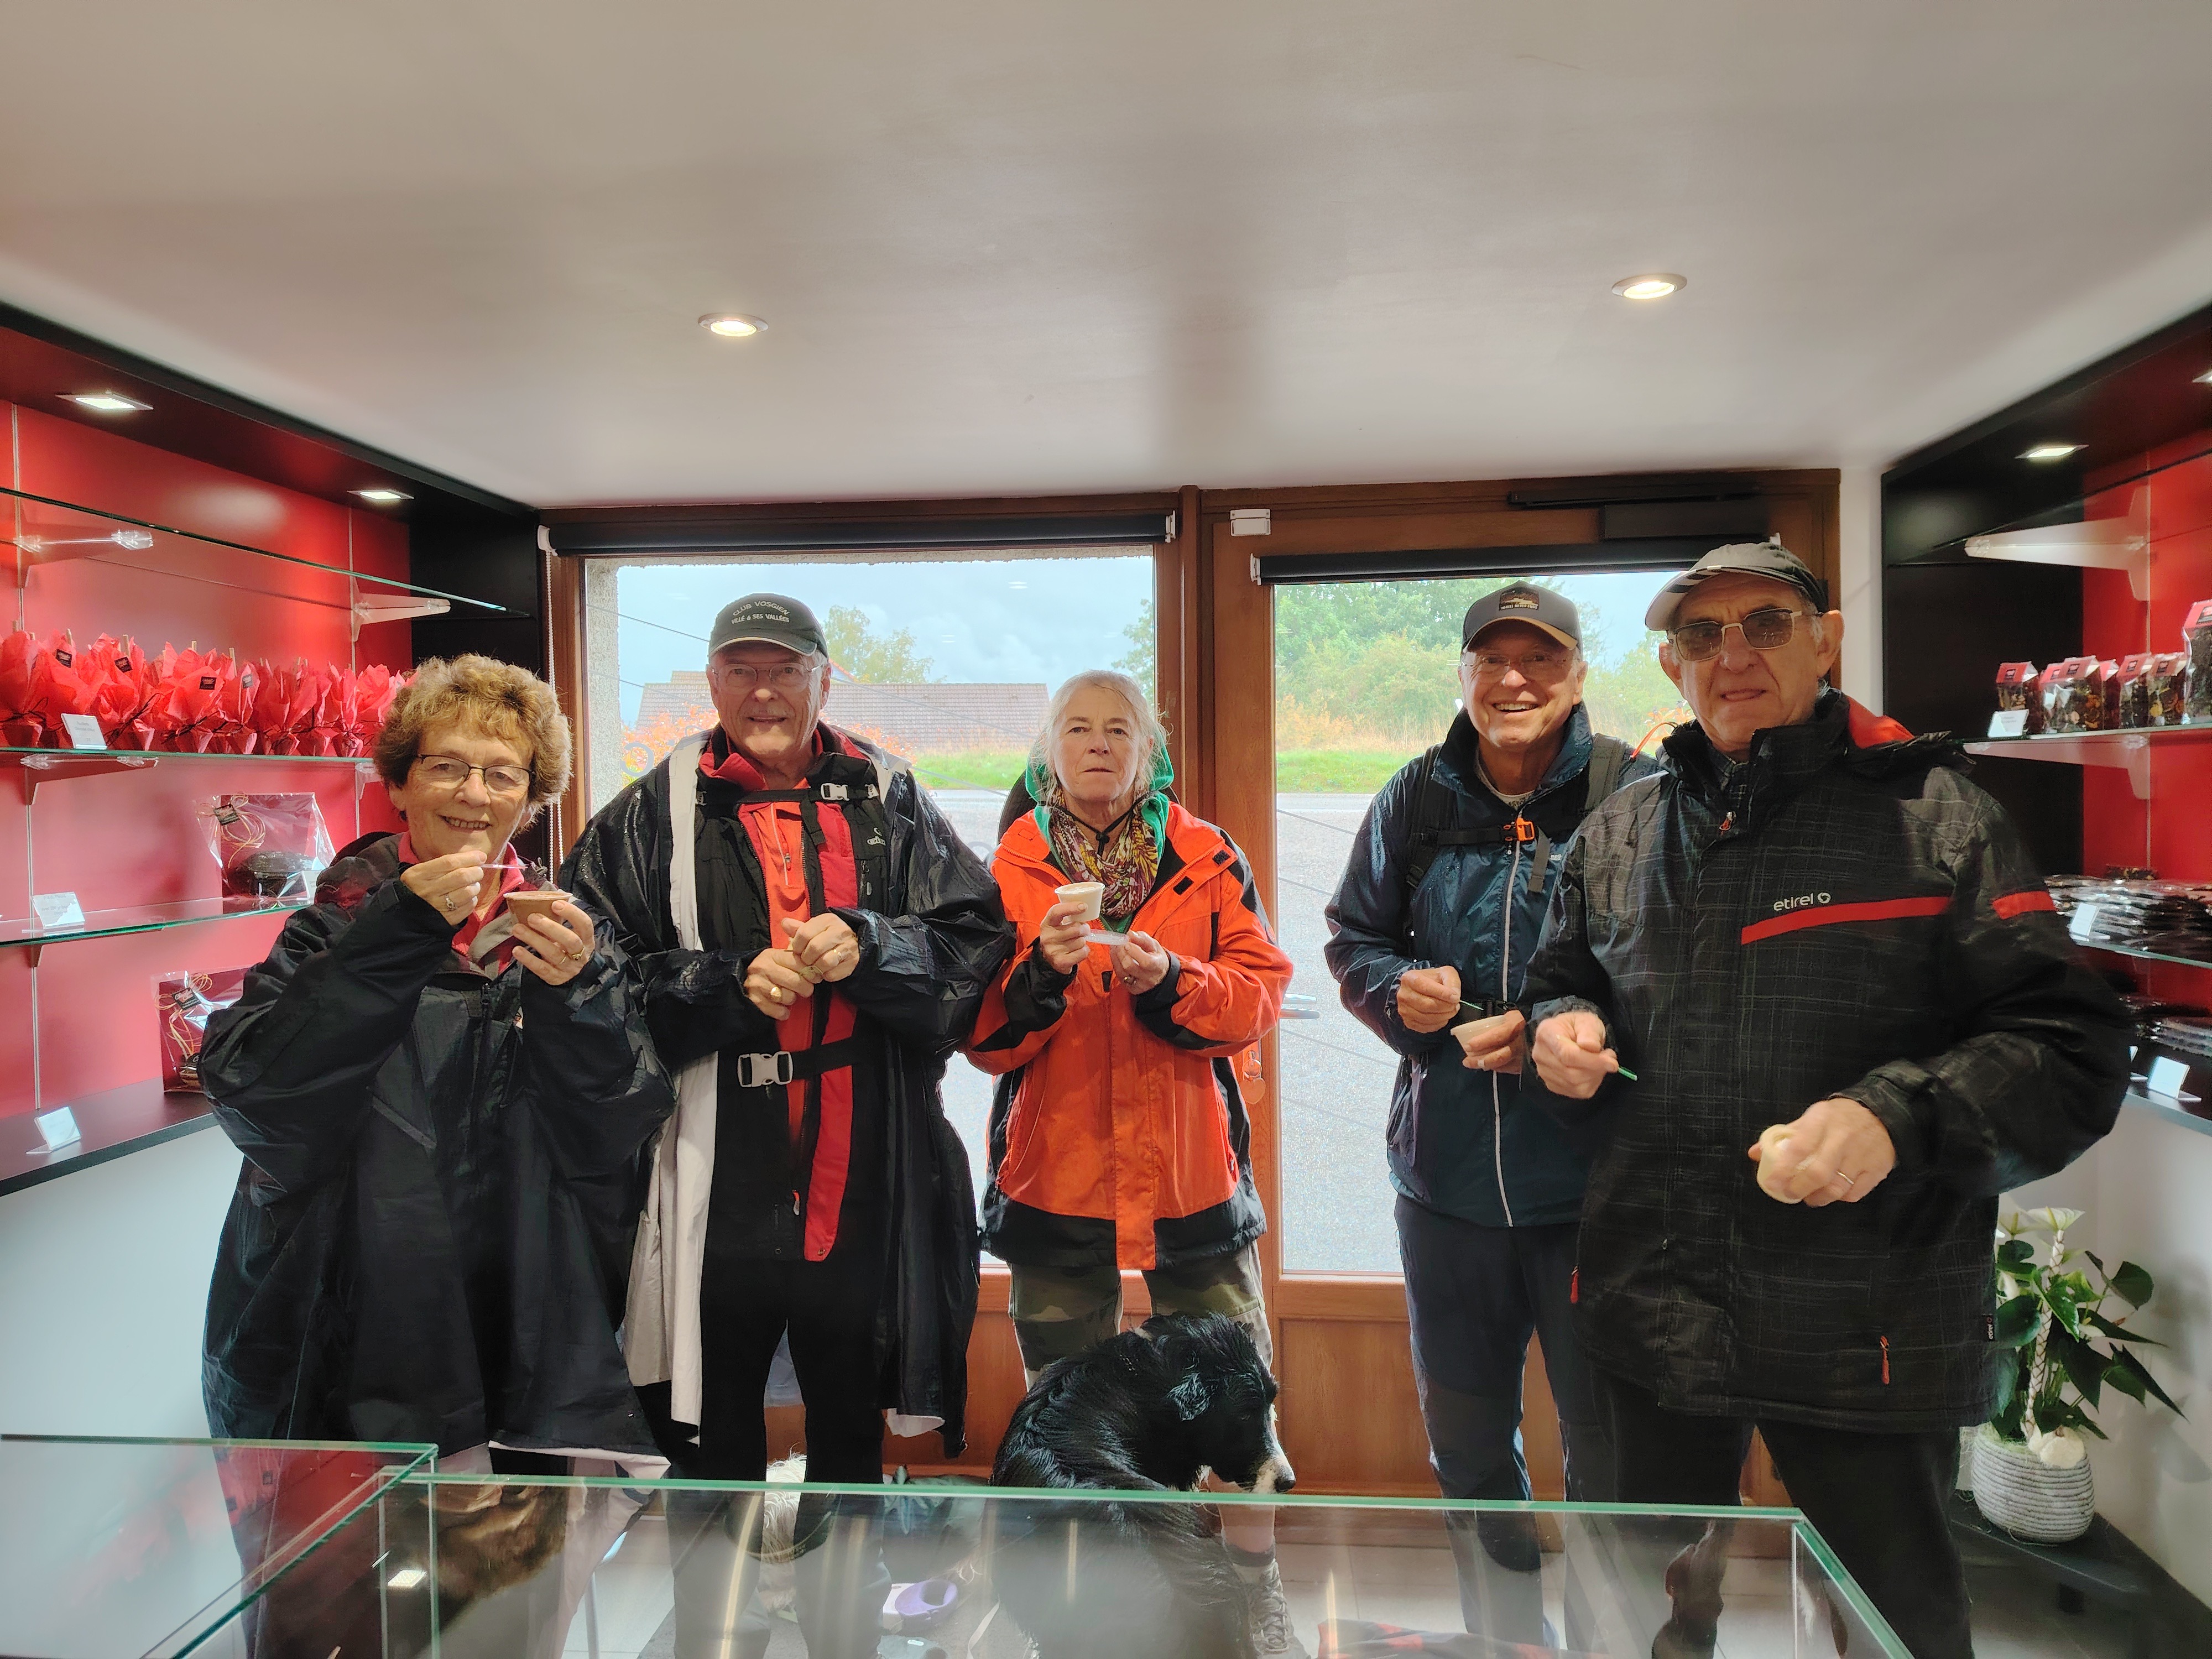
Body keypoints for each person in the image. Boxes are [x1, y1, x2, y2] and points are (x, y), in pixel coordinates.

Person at [1511, 540, 2131, 1659]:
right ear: (1671, 664)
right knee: (1633, 1617)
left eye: (1766, 625)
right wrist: (1558, 1034)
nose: (1732, 655)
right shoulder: (1618, 832)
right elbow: (1561, 985)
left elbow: (2068, 1046)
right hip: (1651, 1309)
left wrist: (1894, 1117)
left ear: (1826, 642)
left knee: (1892, 1626)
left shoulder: (1938, 820)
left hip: (1866, 1325)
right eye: (1702, 634)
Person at [562, 593, 1012, 1658]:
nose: (763, 692)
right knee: (710, 1430)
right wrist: (723, 986)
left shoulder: (890, 796)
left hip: (859, 1179)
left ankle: (843, 1635)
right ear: (713, 683)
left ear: (824, 679)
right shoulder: (652, 811)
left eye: (786, 670)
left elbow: (973, 938)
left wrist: (874, 944)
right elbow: (591, 975)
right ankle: (715, 1639)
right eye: (742, 671)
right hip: (714, 1182)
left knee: (849, 1427)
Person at [201, 654, 673, 1469]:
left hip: (528, 1301)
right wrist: (397, 936)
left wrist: (582, 996)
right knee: (360, 1542)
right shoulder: (335, 928)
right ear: (400, 784)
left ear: (530, 799)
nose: (474, 794)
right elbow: (257, 1095)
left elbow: (618, 1122)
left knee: (519, 1537)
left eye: (502, 774)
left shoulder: (568, 935)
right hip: (360, 1309)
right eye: (446, 766)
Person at [1323, 582, 1648, 1636]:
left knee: (1613, 1457)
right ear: (1463, 676)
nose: (1514, 680)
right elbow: (1353, 938)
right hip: (1446, 1188)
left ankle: (1607, 1645)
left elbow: (1682, 973)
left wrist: (1589, 1030)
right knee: (1467, 1451)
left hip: (1597, 1195)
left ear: (1579, 675)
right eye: (1492, 660)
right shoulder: (1414, 798)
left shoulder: (1634, 793)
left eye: (1540, 659)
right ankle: (1505, 1643)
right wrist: (1400, 997)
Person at [964, 669, 1300, 1657]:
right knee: (1067, 1411)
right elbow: (980, 1035)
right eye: (1078, 728)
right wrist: (1042, 974)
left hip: (1193, 1179)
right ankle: (1089, 1614)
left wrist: (1174, 980)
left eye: (1120, 729)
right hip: (1056, 1179)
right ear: (1049, 750)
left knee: (1241, 1399)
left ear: (1149, 749)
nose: (1099, 744)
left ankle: (1254, 1598)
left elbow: (1260, 993)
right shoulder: (1007, 866)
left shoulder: (1206, 853)